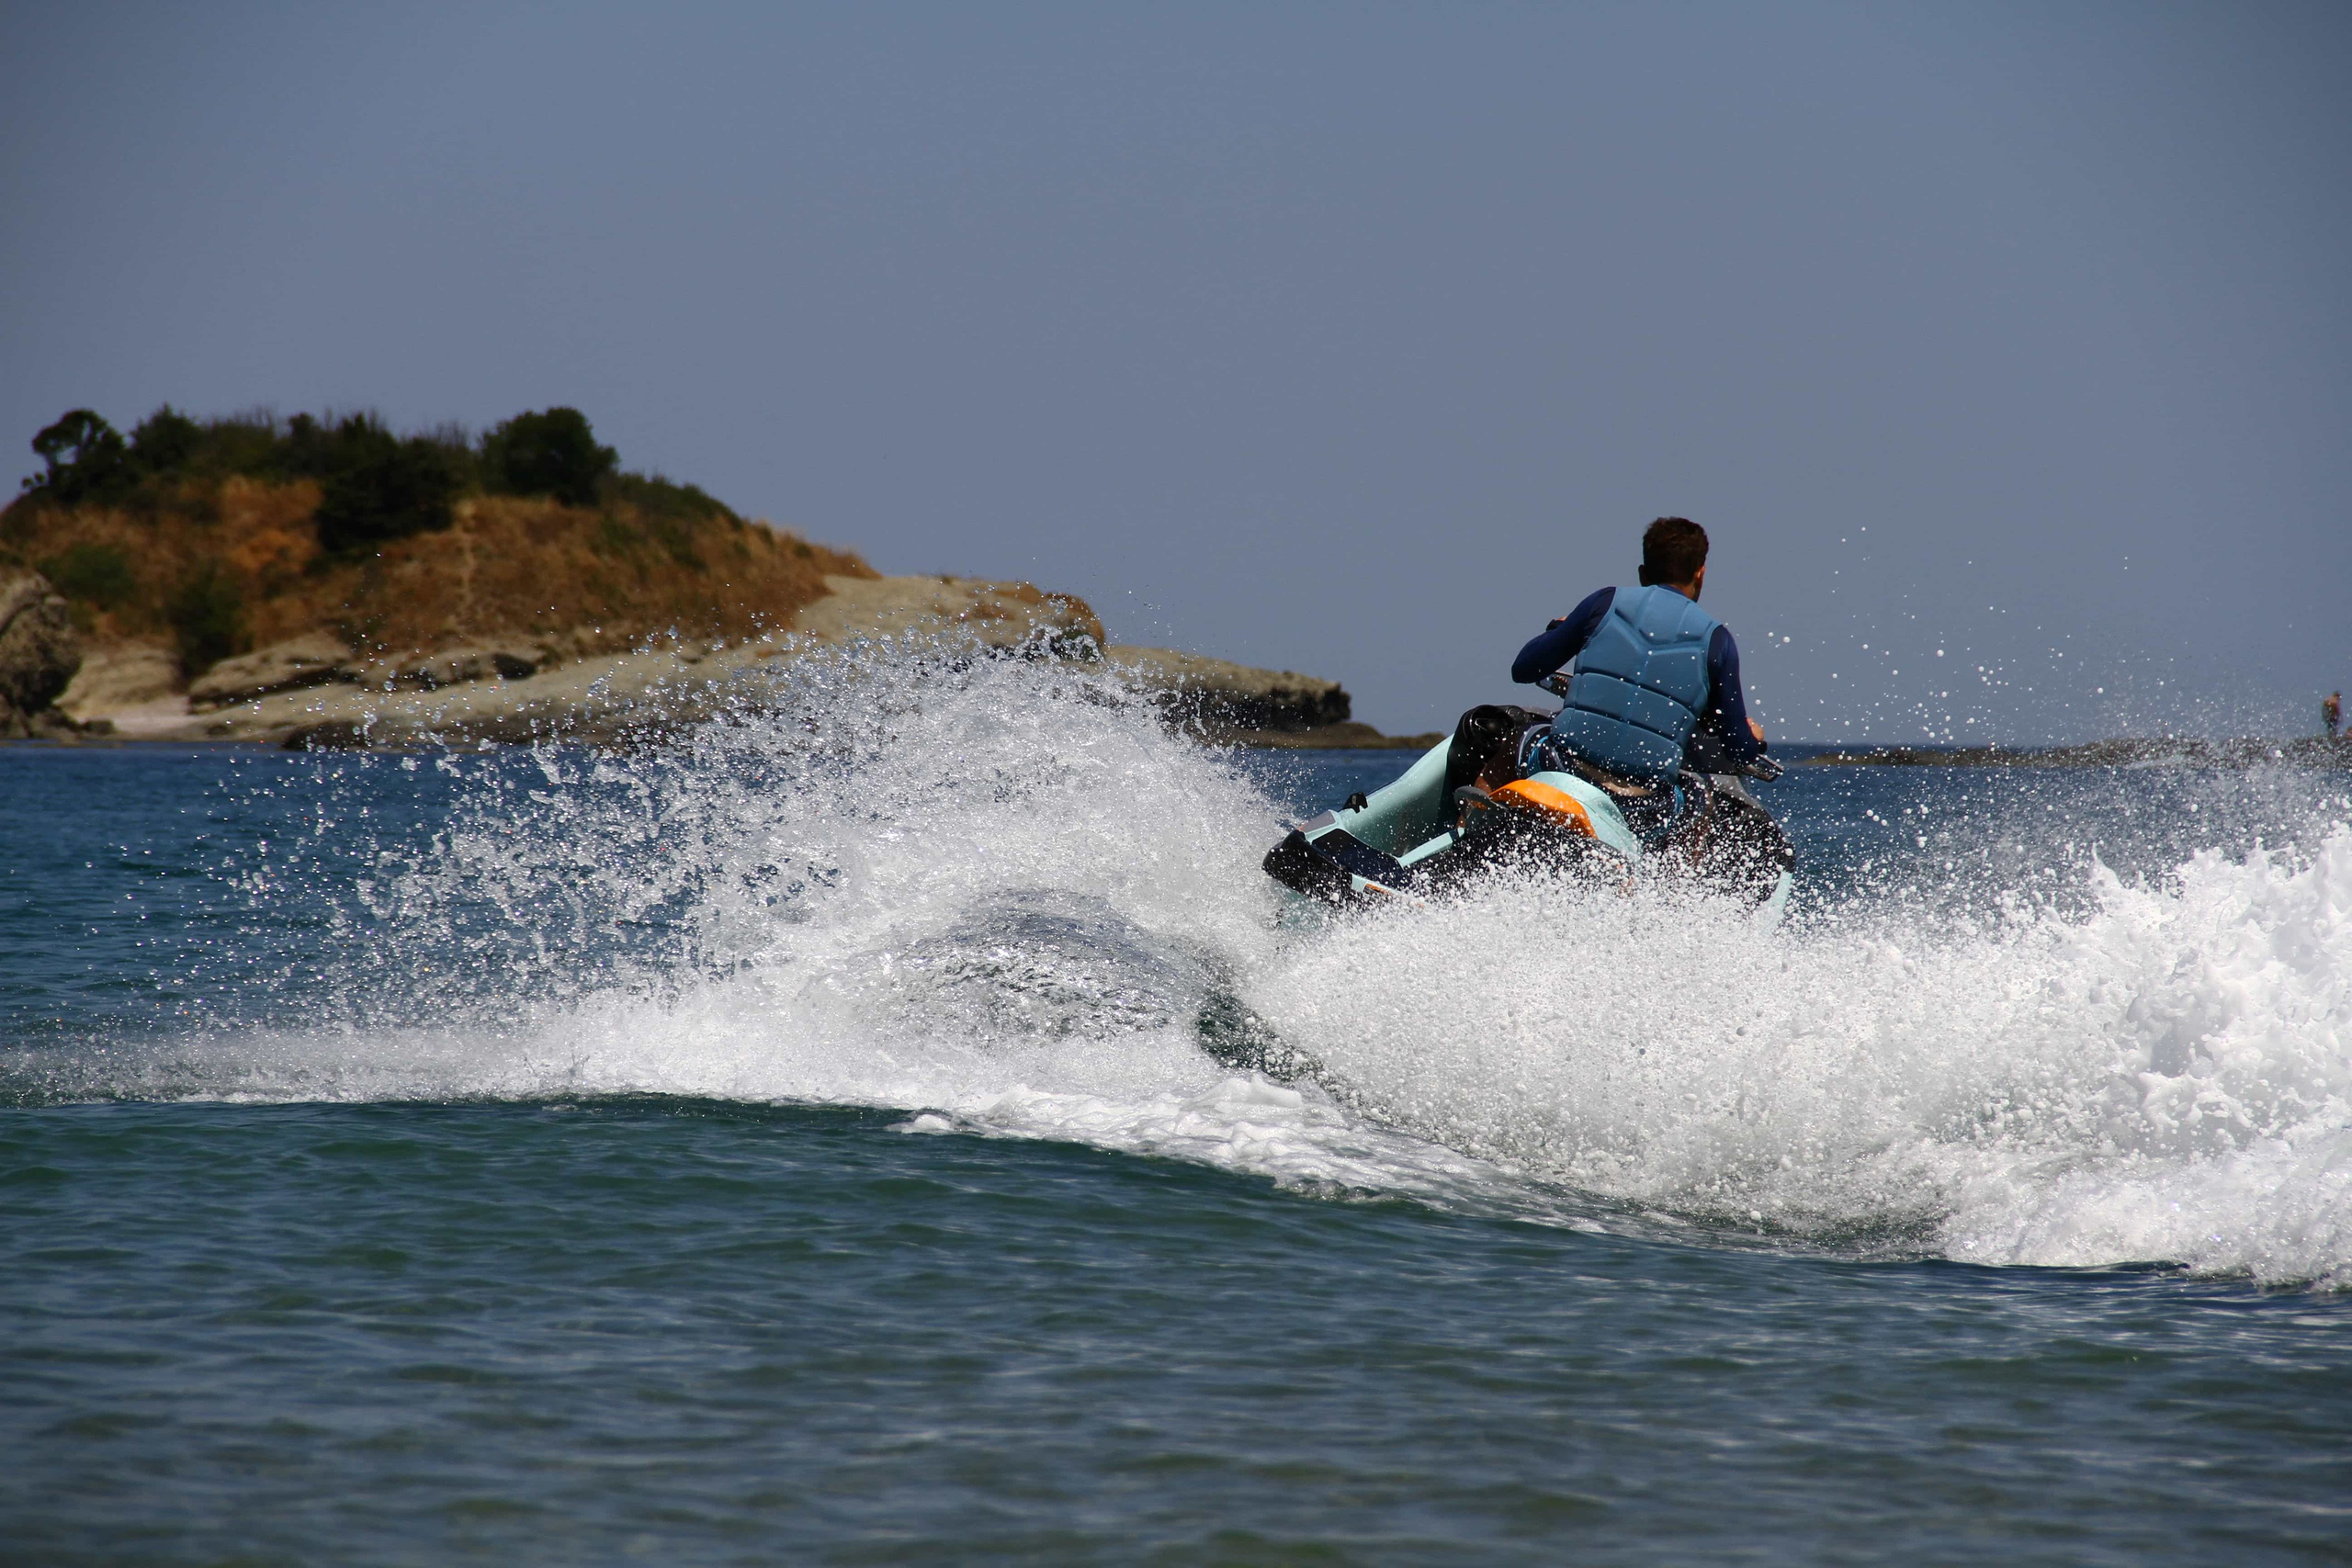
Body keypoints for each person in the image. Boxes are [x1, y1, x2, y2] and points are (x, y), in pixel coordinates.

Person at [1508, 516, 1768, 785]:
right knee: (1698, 792)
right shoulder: (1718, 640)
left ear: (1643, 573)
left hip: (1565, 767)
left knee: (1523, 733)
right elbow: (1739, 752)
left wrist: (1558, 629)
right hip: (1647, 799)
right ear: (1700, 573)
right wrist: (1753, 739)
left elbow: (1524, 669)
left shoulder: (1604, 603)